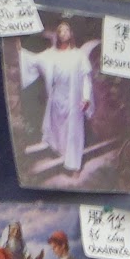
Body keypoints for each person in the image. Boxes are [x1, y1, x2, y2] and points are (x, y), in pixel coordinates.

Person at [20, 20, 96, 173]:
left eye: (66, 30)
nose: (64, 33)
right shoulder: (51, 54)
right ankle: (63, 158)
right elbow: (33, 61)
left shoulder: (78, 55)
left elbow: (86, 78)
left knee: (73, 133)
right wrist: (19, 52)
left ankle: (74, 167)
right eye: (61, 31)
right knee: (59, 132)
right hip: (57, 98)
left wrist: (86, 97)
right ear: (58, 34)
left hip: (74, 98)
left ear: (71, 34)